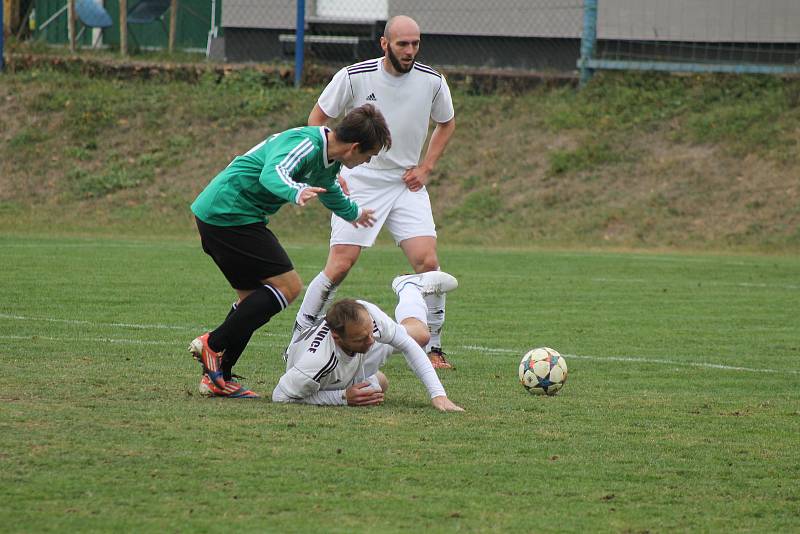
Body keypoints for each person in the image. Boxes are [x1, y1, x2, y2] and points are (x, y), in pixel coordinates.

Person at [188, 104, 392, 398]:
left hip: (231, 215)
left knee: (251, 303)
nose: (367, 162)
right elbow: (272, 173)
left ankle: (217, 376)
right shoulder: (307, 144)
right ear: (355, 147)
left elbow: (329, 189)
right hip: (228, 211)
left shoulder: (329, 159)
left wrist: (353, 213)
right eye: (368, 156)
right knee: (288, 286)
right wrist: (296, 191)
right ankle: (214, 342)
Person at [291, 15, 458, 369]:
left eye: (415, 43)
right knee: (339, 266)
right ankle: (300, 335)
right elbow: (316, 120)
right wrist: (332, 168)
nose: (410, 50)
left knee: (428, 263)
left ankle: (435, 346)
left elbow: (447, 122)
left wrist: (426, 167)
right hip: (360, 179)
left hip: (405, 182)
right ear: (384, 44)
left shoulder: (432, 81)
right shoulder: (354, 75)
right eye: (402, 44)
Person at [273, 272, 464, 411]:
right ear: (336, 337)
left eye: (370, 333)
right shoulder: (315, 364)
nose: (371, 340)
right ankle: (410, 287)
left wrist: (438, 395)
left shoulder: (367, 316)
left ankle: (409, 287)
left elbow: (407, 345)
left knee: (421, 336)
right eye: (361, 338)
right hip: (321, 373)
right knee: (379, 384)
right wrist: (342, 397)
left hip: (346, 359)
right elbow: (280, 395)